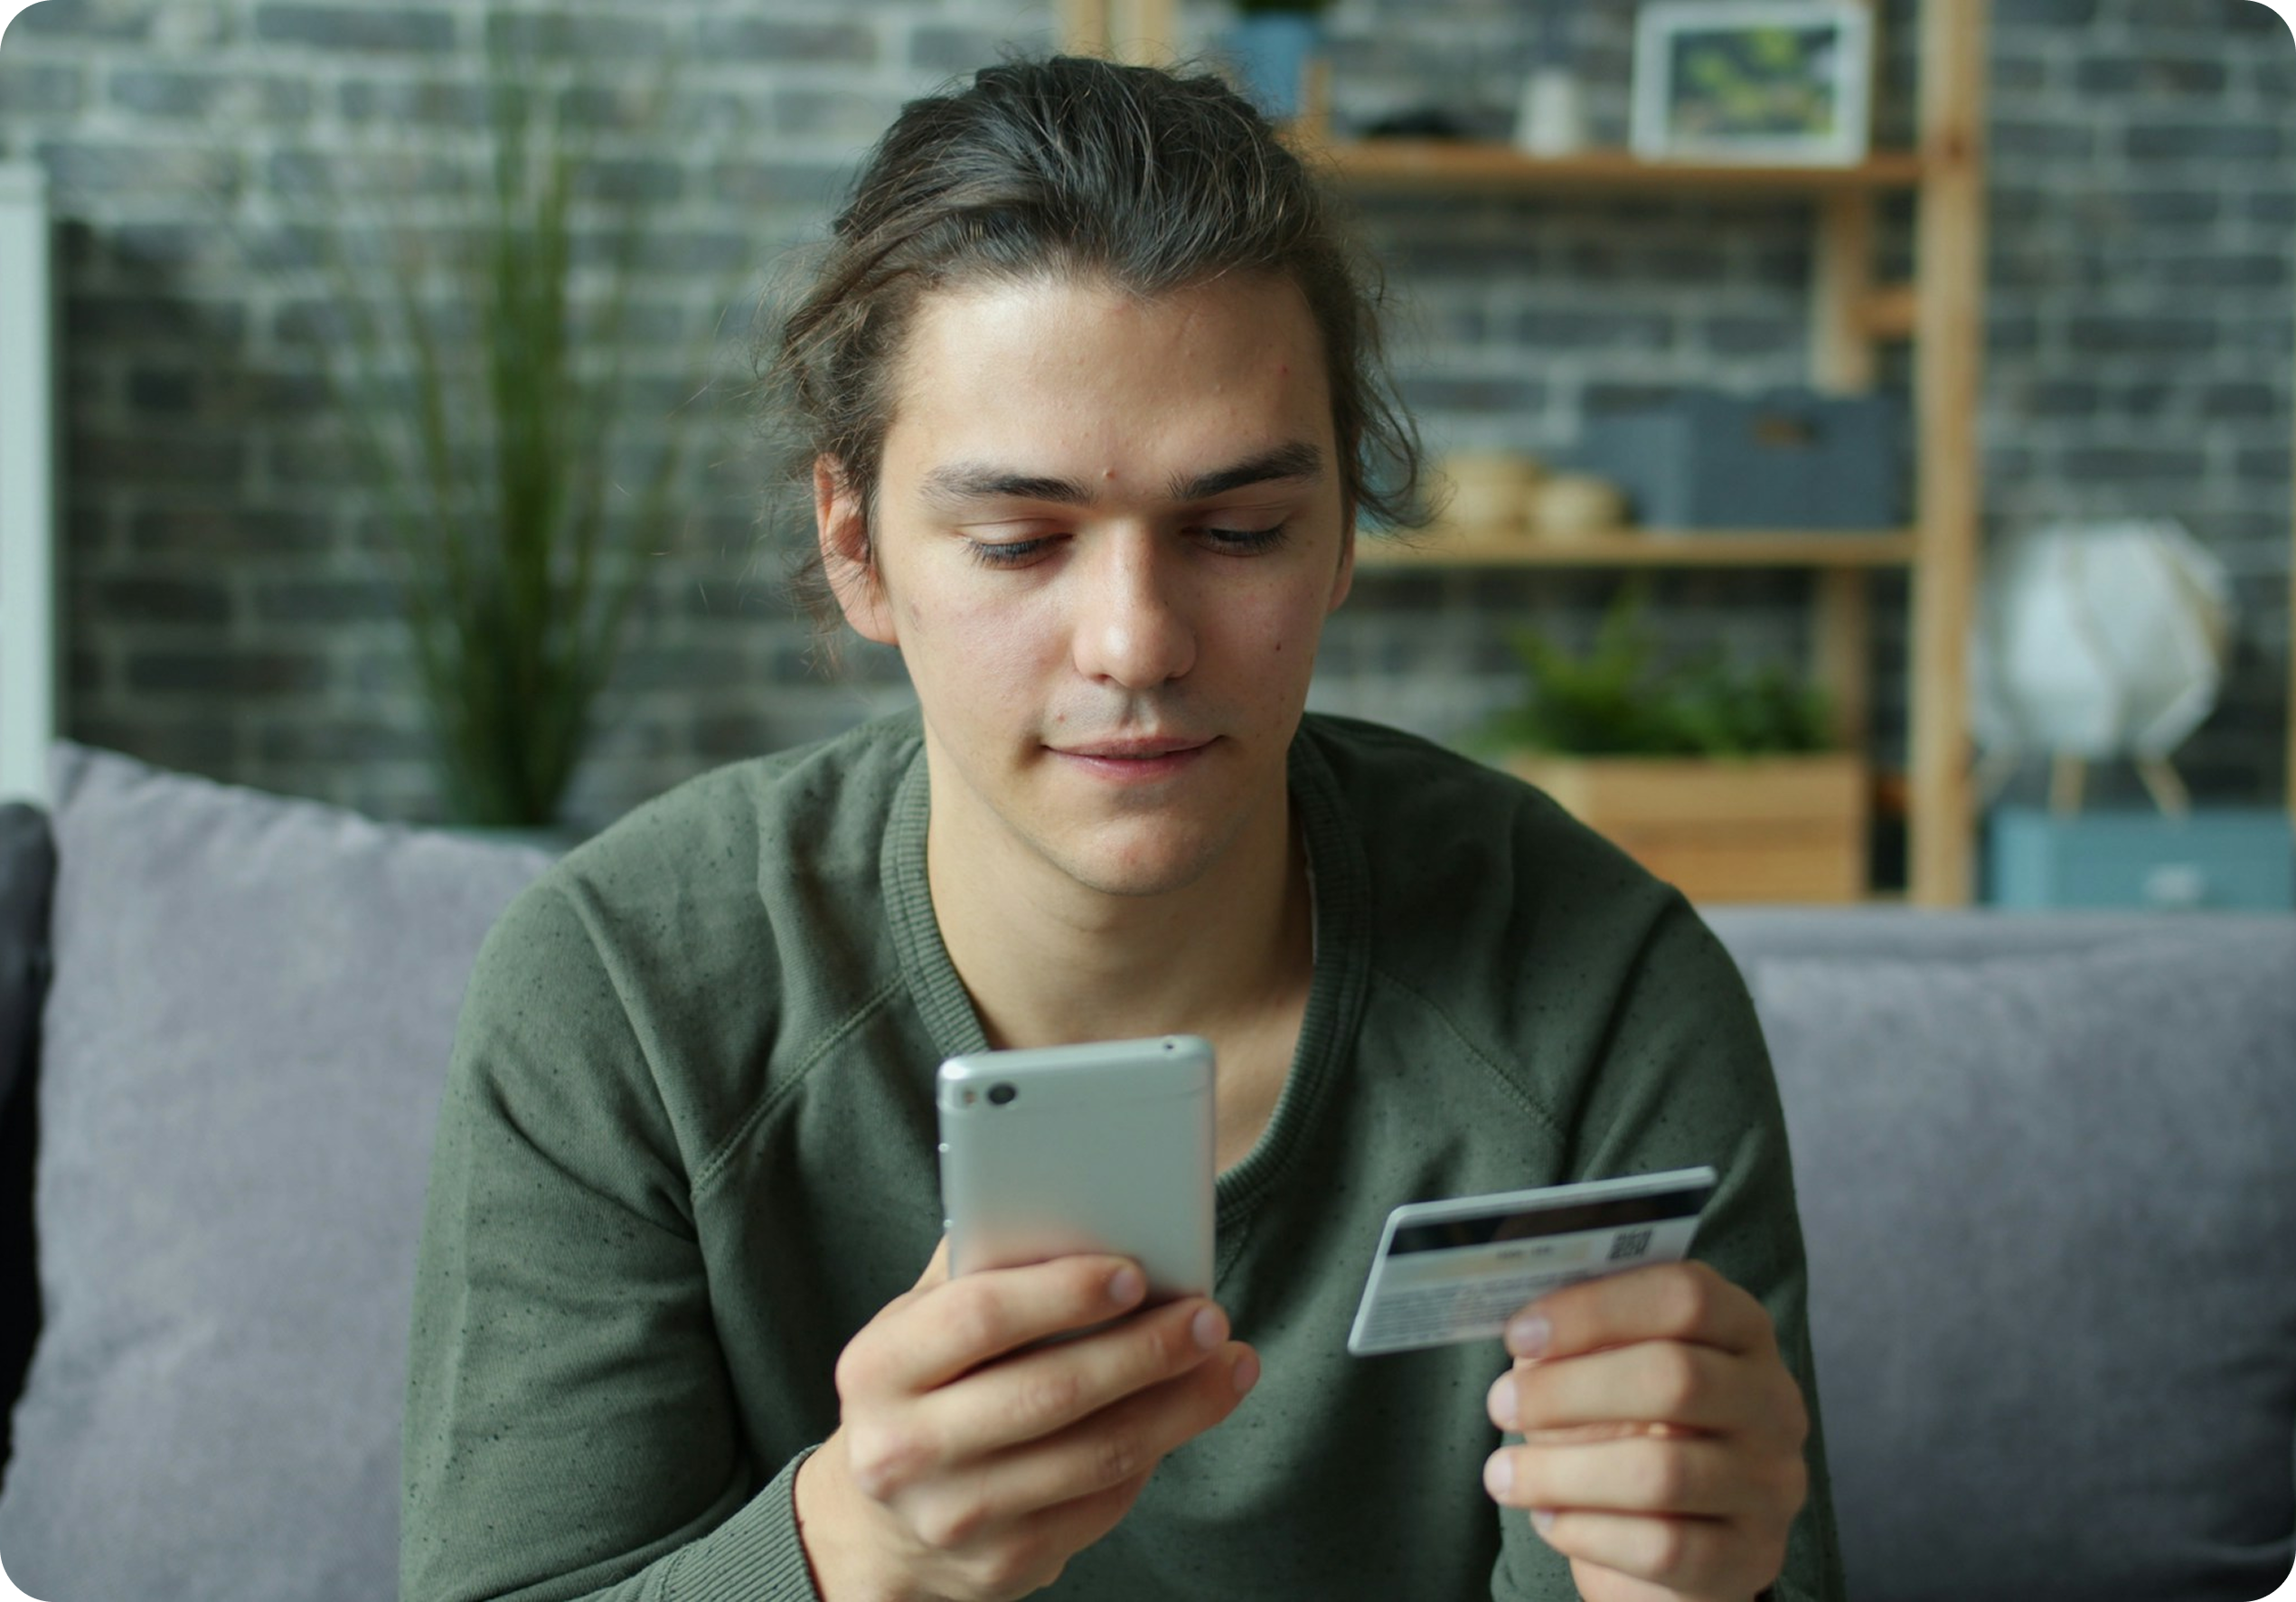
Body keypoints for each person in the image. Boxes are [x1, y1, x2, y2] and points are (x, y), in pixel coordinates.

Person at [400, 51, 1845, 1602]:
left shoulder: (1598, 991)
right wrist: (849, 1554)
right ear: (856, 549)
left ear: (1346, 532)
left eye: (1238, 532)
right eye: (1020, 543)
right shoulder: (621, 990)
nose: (1136, 642)